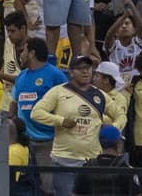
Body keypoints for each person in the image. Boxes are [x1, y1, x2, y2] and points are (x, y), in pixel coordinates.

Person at [31, 56, 106, 196]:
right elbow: (36, 113)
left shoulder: (99, 94)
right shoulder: (58, 91)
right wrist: (61, 121)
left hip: (92, 160)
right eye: (81, 68)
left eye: (88, 68)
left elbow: (119, 114)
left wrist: (111, 127)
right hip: (64, 160)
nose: (85, 72)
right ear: (71, 72)